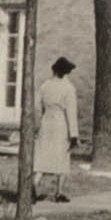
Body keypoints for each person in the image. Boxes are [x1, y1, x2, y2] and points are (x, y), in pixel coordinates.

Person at [34, 56, 78, 203]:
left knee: (43, 156)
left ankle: (34, 184)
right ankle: (59, 193)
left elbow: (36, 105)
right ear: (65, 73)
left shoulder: (45, 86)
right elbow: (71, 112)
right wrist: (74, 135)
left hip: (46, 122)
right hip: (61, 123)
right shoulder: (68, 88)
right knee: (62, 157)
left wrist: (38, 123)